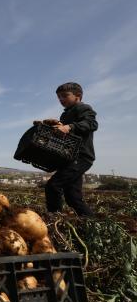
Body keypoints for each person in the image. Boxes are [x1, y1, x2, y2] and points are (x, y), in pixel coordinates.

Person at [44, 82, 97, 216]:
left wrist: (69, 127)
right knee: (73, 198)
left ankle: (54, 219)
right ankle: (92, 222)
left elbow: (91, 123)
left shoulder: (83, 108)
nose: (61, 100)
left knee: (53, 185)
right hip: (70, 157)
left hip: (81, 157)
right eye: (59, 98)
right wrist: (58, 125)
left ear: (78, 96)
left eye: (65, 96)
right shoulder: (65, 114)